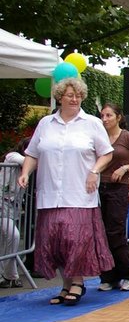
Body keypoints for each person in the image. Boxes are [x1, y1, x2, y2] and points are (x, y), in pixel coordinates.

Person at [18, 77, 114, 306]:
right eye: (70, 95)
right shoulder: (46, 124)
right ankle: (65, 284)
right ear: (60, 97)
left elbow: (106, 153)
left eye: (78, 95)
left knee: (75, 239)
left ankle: (78, 282)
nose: (74, 99)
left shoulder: (91, 123)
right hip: (50, 193)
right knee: (55, 241)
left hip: (79, 193)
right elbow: (33, 153)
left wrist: (94, 171)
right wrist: (25, 173)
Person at [97, 103, 129, 292]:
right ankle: (108, 275)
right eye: (102, 115)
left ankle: (128, 273)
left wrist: (125, 168)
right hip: (99, 187)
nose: (105, 119)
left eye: (109, 115)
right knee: (101, 233)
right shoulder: (98, 137)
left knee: (115, 231)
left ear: (119, 117)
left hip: (119, 188)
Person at [0, 138, 29, 289]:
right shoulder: (12, 156)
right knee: (13, 235)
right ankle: (10, 275)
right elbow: (25, 161)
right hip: (2, 203)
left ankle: (7, 276)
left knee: (7, 240)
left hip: (12, 206)